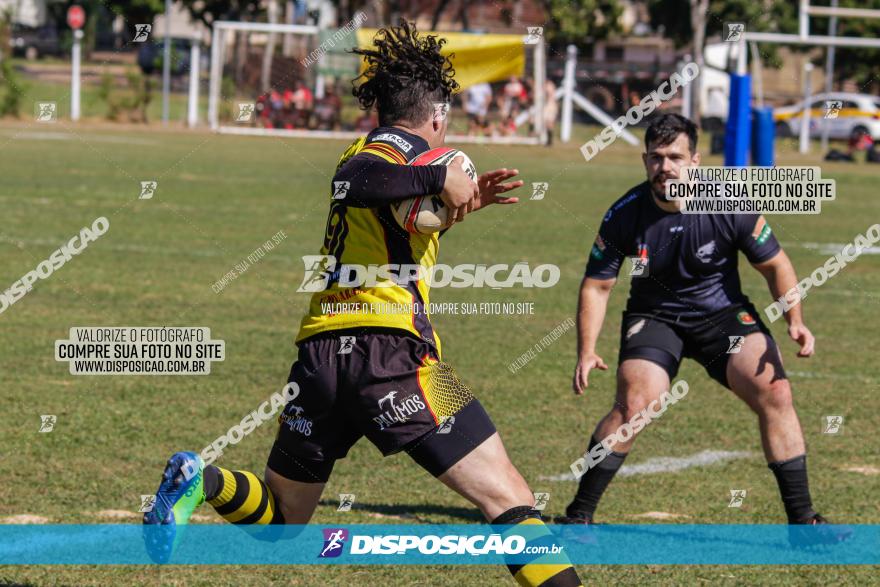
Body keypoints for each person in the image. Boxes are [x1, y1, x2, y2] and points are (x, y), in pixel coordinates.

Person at [144, 20, 584, 587]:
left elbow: (392, 223)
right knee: (510, 497)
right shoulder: (395, 151)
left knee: (283, 520)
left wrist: (458, 209)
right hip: (395, 352)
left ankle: (201, 481)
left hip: (323, 354)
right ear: (438, 116)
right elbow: (354, 180)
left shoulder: (377, 153)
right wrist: (437, 169)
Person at [556, 114, 846, 542]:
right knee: (635, 405)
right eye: (656, 157)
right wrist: (586, 349)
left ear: (695, 160)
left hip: (722, 315)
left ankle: (804, 525)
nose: (665, 167)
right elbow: (598, 286)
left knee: (776, 391)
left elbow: (775, 265)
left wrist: (794, 320)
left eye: (675, 157)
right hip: (656, 318)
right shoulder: (624, 213)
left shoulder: (730, 203)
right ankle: (579, 516)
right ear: (645, 161)